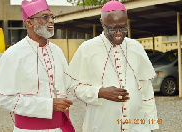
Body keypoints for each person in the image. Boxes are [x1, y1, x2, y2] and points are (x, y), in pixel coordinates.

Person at [65, 0, 159, 132]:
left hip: (137, 127)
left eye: (123, 27)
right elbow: (73, 88)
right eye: (113, 28)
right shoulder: (87, 49)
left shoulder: (136, 47)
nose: (119, 32)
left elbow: (146, 91)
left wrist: (152, 125)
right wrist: (99, 92)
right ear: (102, 23)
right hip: (101, 126)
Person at [0, 0, 75, 131]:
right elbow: (5, 100)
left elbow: (70, 86)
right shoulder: (13, 54)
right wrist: (48, 105)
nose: (51, 21)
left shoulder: (57, 51)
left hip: (59, 128)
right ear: (29, 22)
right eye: (45, 17)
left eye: (52, 17)